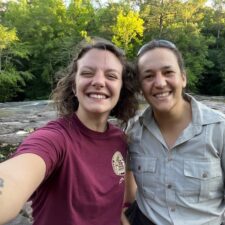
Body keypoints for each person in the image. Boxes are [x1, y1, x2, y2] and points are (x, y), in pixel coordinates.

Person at [0, 37, 139, 225]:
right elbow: (13, 179)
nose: (98, 81)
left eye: (111, 76)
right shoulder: (55, 139)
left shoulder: (121, 140)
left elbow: (119, 203)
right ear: (74, 86)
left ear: (121, 89)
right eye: (88, 73)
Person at [124, 40, 225, 225]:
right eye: (149, 76)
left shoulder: (223, 130)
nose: (160, 83)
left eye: (168, 72)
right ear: (140, 86)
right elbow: (128, 180)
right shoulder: (133, 130)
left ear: (183, 78)